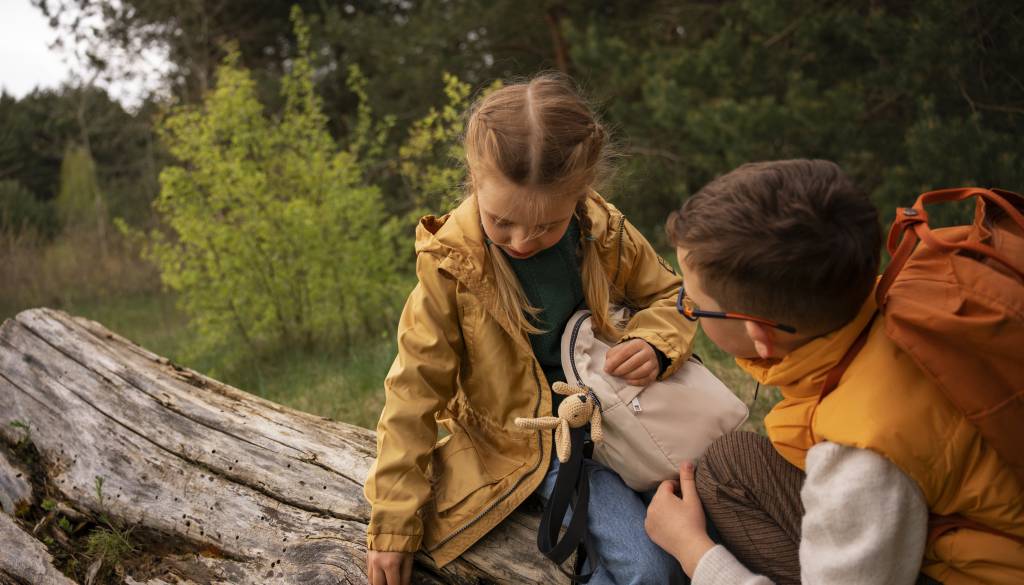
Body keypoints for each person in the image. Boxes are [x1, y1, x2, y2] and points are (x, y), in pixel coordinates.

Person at [363, 73, 695, 585]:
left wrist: (654, 341)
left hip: (629, 418)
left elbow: (671, 295)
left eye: (545, 225)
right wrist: (392, 523)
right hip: (537, 445)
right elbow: (413, 391)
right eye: (503, 222)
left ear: (581, 194)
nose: (521, 240)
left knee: (702, 536)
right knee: (649, 570)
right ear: (475, 179)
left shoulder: (601, 231)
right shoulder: (452, 268)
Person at [644, 159, 1024, 585]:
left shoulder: (861, 451)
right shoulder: (902, 300)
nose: (686, 308)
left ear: (760, 334)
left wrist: (692, 549)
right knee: (729, 464)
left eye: (693, 304)